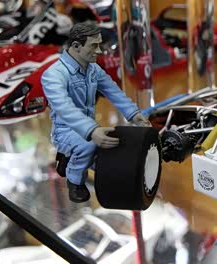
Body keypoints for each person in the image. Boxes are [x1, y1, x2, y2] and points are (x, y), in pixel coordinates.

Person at [42, 21, 151, 202]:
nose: (99, 50)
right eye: (93, 45)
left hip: (89, 127)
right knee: (90, 146)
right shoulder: (54, 75)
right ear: (76, 46)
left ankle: (69, 159)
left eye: (99, 44)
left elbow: (113, 91)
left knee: (108, 147)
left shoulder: (93, 69)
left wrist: (134, 114)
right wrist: (92, 131)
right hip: (65, 131)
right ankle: (74, 181)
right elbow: (63, 107)